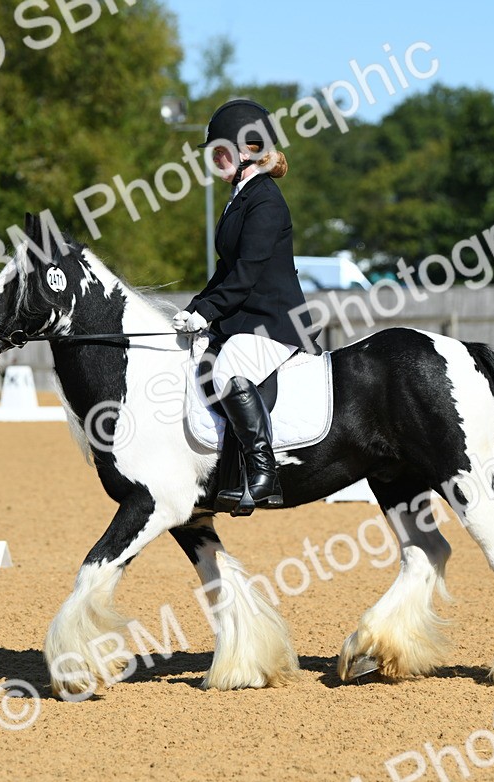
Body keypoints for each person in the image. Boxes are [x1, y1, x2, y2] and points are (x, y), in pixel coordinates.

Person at [171, 99, 317, 513]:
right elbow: (225, 270)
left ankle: (264, 470)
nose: (214, 160)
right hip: (247, 319)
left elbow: (248, 273)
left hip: (275, 321)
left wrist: (207, 313)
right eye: (213, 152)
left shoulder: (265, 201)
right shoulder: (240, 197)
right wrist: (195, 308)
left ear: (247, 151)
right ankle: (228, 471)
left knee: (230, 368)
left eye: (220, 151)